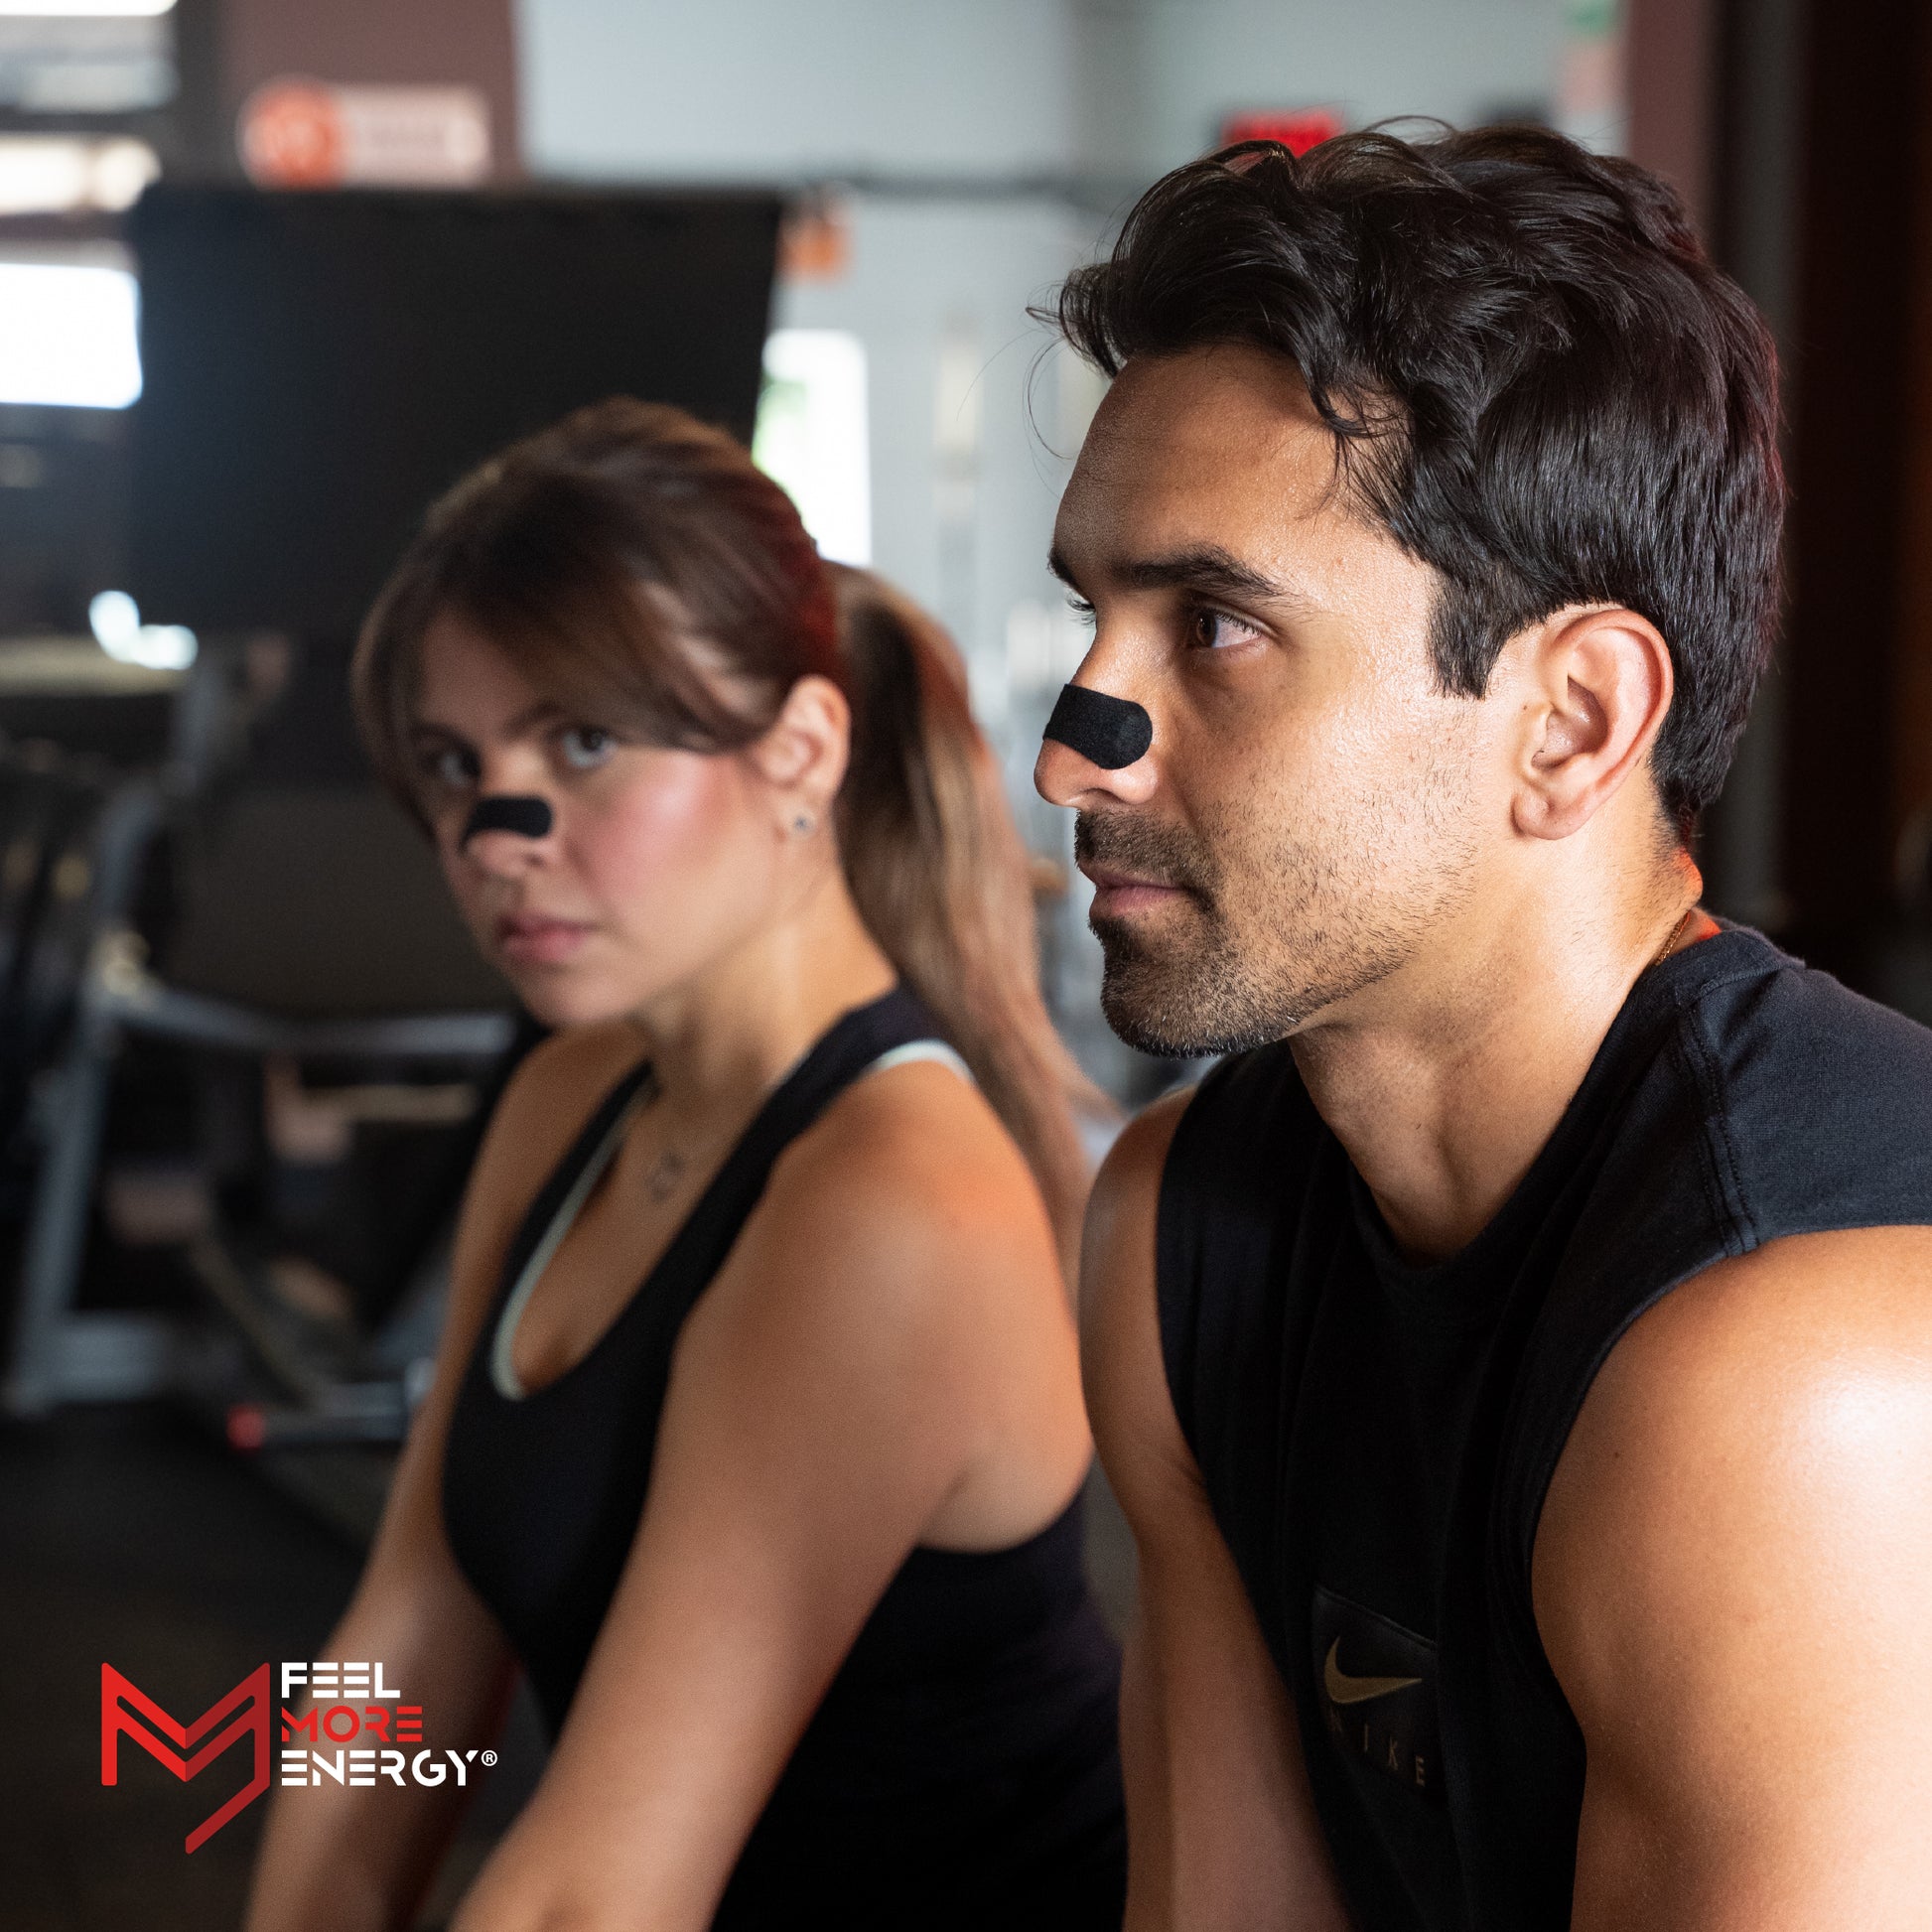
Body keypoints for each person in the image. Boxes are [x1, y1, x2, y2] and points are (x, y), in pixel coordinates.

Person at [1033, 127, 1932, 1931]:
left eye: (1210, 625)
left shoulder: (1792, 1367)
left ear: (1569, 719)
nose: (1071, 748)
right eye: (1094, 616)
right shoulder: (1180, 1224)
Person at [244, 397, 1126, 1932]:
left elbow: (592, 1895)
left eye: (581, 744)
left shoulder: (890, 1203)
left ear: (799, 751)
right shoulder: (569, 1095)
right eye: (456, 765)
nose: (495, 833)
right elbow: (401, 1655)